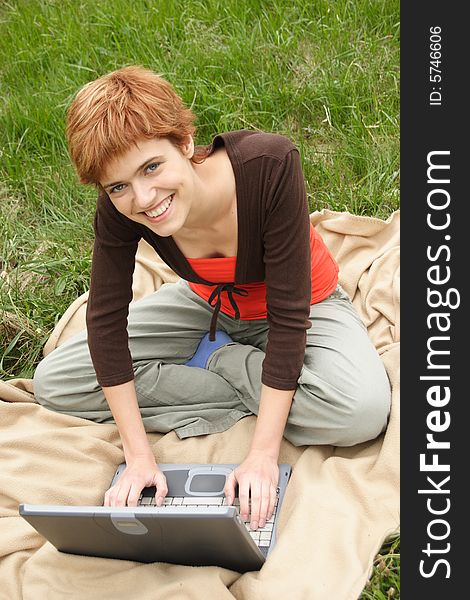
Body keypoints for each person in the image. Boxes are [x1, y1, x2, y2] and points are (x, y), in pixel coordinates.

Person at [33, 65, 391, 532]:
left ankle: (220, 362)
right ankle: (252, 382)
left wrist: (261, 454)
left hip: (305, 306)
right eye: (118, 186)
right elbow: (104, 321)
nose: (143, 198)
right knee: (56, 382)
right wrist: (138, 456)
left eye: (152, 167)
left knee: (360, 412)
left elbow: (287, 318)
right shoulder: (120, 206)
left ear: (184, 142)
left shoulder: (271, 164)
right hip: (208, 305)